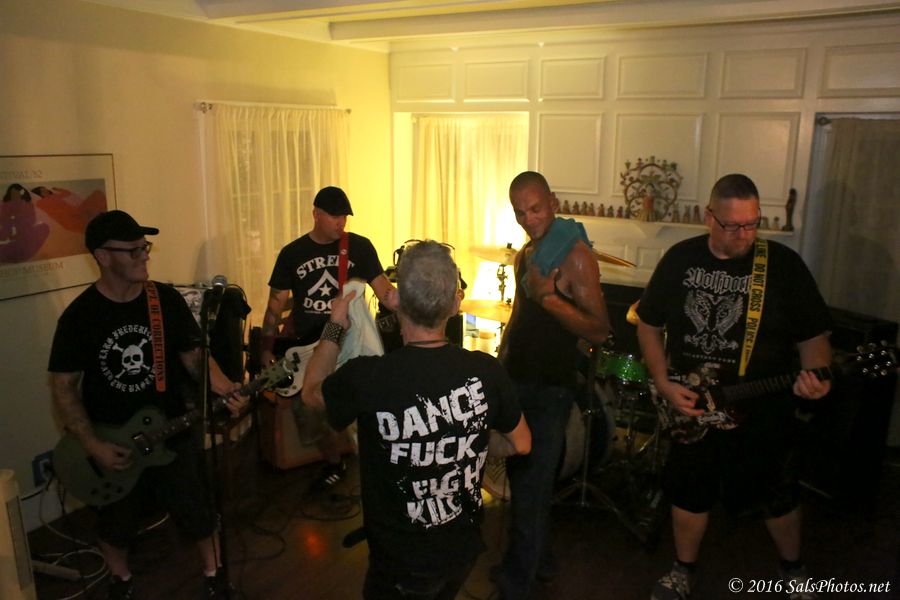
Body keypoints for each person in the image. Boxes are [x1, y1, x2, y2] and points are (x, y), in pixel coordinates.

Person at [636, 174, 832, 600]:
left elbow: (814, 336)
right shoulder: (681, 259)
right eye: (732, 225)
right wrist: (662, 382)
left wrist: (816, 376)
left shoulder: (783, 266)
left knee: (778, 494)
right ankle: (682, 570)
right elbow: (648, 324)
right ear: (709, 217)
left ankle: (793, 569)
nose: (743, 234)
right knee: (689, 493)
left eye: (752, 223)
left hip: (763, 408)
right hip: (693, 405)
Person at [301, 240, 531, 599]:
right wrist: (465, 438)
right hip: (461, 551)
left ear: (394, 299)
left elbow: (311, 393)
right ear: (456, 302)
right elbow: (522, 443)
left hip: (398, 560)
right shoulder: (486, 371)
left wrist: (335, 326)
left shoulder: (368, 377)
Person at [48, 210, 247, 600]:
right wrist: (92, 444)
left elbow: (195, 358)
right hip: (112, 440)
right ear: (103, 256)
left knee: (197, 510)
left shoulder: (164, 300)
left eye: (145, 247)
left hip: (171, 429)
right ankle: (121, 580)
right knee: (115, 523)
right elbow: (63, 386)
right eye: (133, 250)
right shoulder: (80, 316)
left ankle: (213, 575)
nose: (144, 255)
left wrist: (226, 388)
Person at [494, 171, 611, 600]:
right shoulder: (528, 253)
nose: (528, 219)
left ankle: (516, 585)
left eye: (536, 209)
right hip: (517, 381)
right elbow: (519, 316)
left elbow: (599, 330)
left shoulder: (576, 257)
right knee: (524, 483)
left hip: (550, 389)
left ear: (554, 203)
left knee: (532, 488)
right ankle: (540, 562)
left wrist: (550, 298)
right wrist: (500, 364)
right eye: (520, 212)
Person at [260, 186, 397, 488]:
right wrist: (267, 348)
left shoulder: (359, 247)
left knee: (369, 400)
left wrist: (417, 304)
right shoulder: (292, 253)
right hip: (309, 345)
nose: (341, 223)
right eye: (334, 216)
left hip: (350, 343)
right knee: (309, 407)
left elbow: (385, 292)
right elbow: (274, 306)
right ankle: (334, 461)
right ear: (316, 214)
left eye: (345, 217)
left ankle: (377, 461)